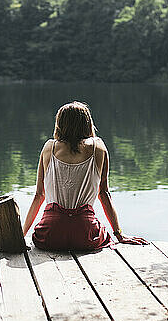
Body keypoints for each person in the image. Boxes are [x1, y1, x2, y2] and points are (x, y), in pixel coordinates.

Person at [22, 101, 148, 251]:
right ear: (87, 123)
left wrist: (21, 235)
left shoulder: (49, 147)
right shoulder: (98, 147)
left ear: (60, 124)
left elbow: (39, 195)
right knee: (98, 232)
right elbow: (104, 193)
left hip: (50, 235)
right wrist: (119, 234)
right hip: (86, 234)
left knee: (50, 229)